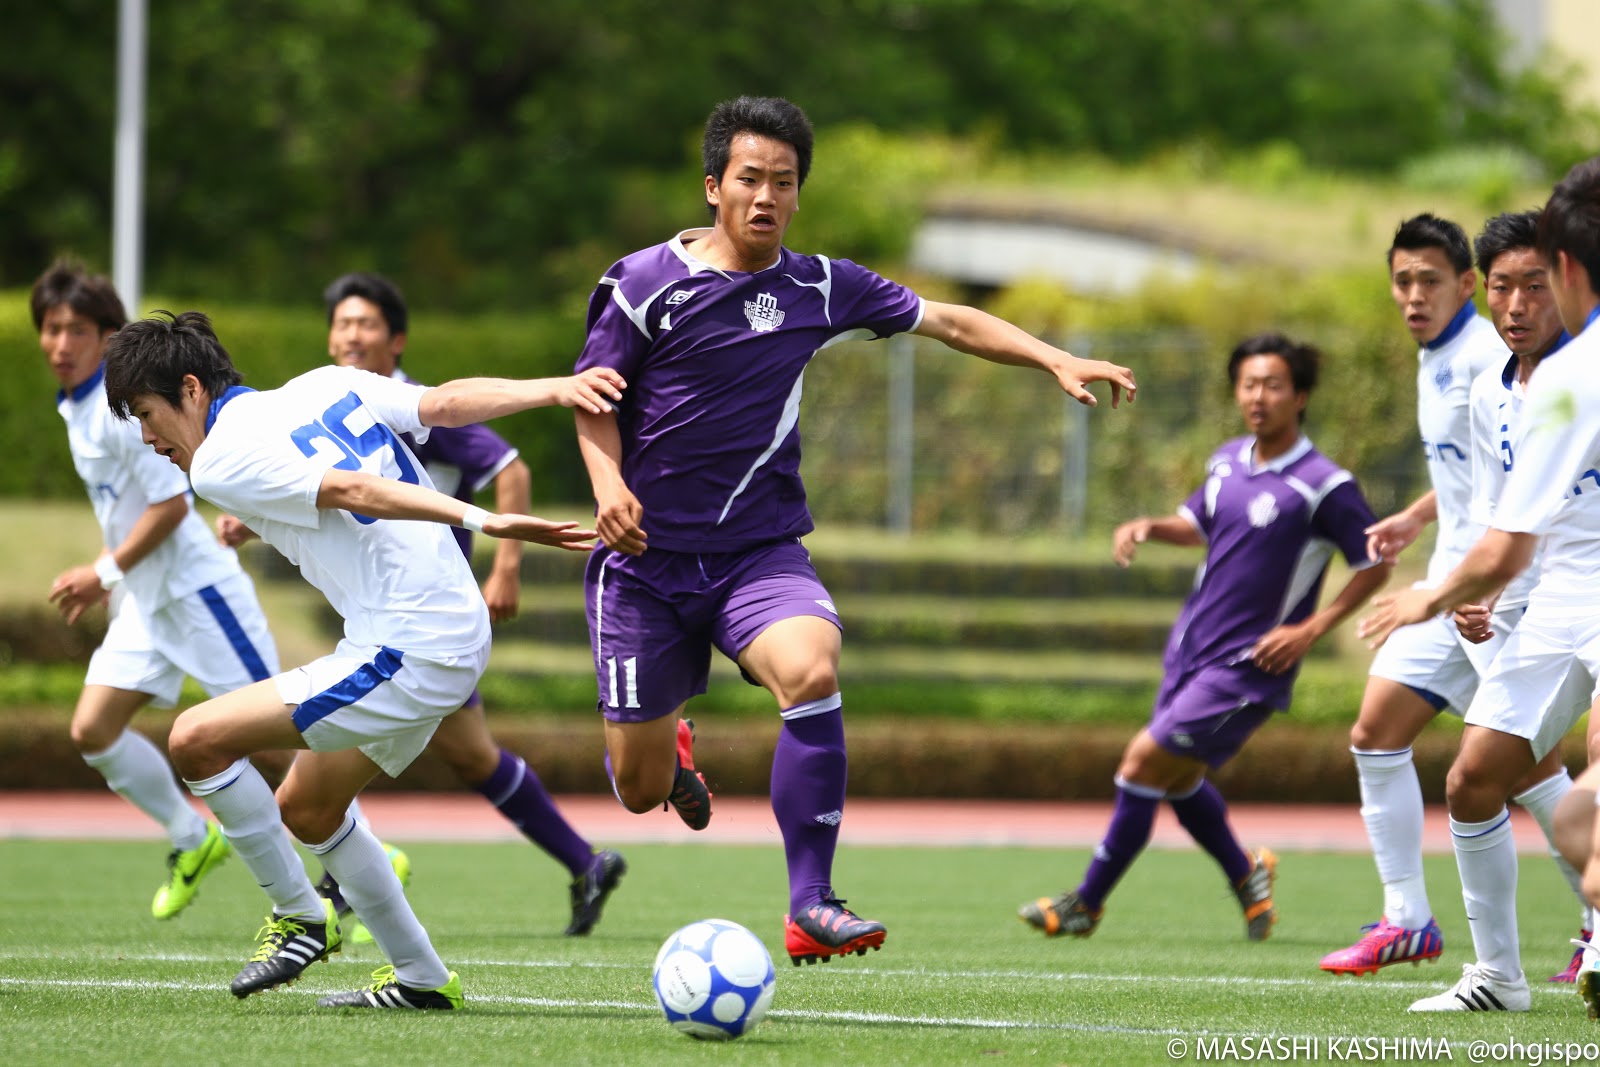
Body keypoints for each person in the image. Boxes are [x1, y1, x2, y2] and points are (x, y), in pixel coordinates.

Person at [572, 95, 1137, 966]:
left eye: (784, 182)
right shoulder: (642, 284)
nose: (767, 196)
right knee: (639, 790)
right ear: (714, 186)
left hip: (757, 550)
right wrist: (608, 484)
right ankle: (671, 755)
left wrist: (1053, 356)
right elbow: (592, 401)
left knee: (813, 667)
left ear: (800, 194)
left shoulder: (821, 285)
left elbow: (948, 320)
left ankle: (811, 901)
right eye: (750, 179)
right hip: (644, 563)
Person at [102, 308, 623, 1009]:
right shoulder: (323, 383)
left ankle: (299, 917)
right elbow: (442, 404)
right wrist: (554, 388)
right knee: (308, 807)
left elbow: (351, 489)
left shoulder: (217, 460)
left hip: (411, 645)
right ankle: (422, 980)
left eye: (146, 413)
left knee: (195, 739)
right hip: (446, 629)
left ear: (191, 389)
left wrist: (483, 518)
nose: (147, 437)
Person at [215, 272, 626, 938]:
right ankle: (584, 862)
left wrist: (507, 568)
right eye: (342, 324)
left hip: (425, 621)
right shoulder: (323, 401)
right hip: (390, 619)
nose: (351, 335)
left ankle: (344, 879)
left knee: (363, 746)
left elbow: (510, 468)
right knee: (468, 755)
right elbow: (328, 496)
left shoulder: (410, 407)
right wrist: (255, 517)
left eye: (366, 324)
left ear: (396, 340)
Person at [1020, 334, 1391, 941]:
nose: (1258, 396)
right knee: (1177, 778)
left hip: (1249, 666)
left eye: (1273, 385)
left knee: (1142, 763)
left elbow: (1375, 564)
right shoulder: (1226, 461)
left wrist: (1310, 630)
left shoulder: (1325, 484)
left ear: (1300, 396)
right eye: (1248, 384)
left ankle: (1086, 902)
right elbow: (1196, 526)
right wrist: (1148, 526)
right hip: (1190, 650)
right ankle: (1247, 875)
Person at [1358, 161, 1600, 1012]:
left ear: (1566, 274)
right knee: (1472, 781)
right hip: (1552, 601)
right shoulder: (1504, 391)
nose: (1519, 305)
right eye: (1505, 288)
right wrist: (1489, 592)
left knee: (1590, 794)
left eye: (1536, 284)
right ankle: (1499, 976)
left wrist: (1429, 595)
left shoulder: (1577, 376)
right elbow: (1505, 517)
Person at [1320, 214, 1534, 977]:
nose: (1413, 295)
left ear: (1466, 284)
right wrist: (1416, 515)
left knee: (1528, 766)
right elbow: (1469, 471)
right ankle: (1407, 918)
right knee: (1376, 730)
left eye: (1429, 281)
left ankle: (1591, 926)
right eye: (1402, 280)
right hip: (1447, 579)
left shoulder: (1487, 354)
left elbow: (1520, 475)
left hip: (1488, 587)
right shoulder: (1436, 355)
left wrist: (1487, 583)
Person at [33, 261, 280, 920]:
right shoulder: (78, 406)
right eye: (51, 329)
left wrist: (103, 572)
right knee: (94, 729)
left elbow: (172, 504)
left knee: (279, 738)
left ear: (107, 336)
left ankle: (372, 860)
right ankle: (192, 837)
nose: (61, 343)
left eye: (77, 330)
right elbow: (131, 507)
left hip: (200, 593)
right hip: (148, 600)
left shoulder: (120, 409)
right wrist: (114, 572)